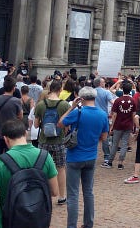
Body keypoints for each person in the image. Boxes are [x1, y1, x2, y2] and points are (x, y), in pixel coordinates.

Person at [0, 119, 58, 228]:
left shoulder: (0, 162)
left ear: (5, 139)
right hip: (37, 221)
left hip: (7, 222)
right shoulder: (45, 157)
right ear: (25, 133)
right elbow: (54, 192)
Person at [58, 87, 109, 228]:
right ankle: (88, 224)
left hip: (74, 157)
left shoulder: (77, 112)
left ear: (81, 98)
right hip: (91, 156)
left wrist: (71, 107)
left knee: (73, 195)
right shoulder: (102, 114)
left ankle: (72, 225)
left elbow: (60, 123)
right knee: (89, 192)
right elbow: (104, 137)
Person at [34, 80, 71, 206]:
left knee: (42, 168)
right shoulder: (64, 105)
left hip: (44, 140)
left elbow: (35, 124)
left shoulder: (40, 104)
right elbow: (67, 126)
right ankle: (61, 196)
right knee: (60, 168)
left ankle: (43, 195)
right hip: (59, 141)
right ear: (60, 89)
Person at [0, 77, 23, 174]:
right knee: (12, 158)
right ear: (14, 88)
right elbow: (20, 116)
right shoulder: (16, 101)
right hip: (12, 133)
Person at [104, 80, 135, 170]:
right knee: (124, 144)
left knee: (115, 144)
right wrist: (133, 125)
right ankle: (120, 163)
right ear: (130, 90)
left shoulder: (118, 100)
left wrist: (112, 126)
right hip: (128, 124)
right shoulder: (132, 100)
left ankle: (110, 162)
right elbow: (133, 114)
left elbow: (114, 114)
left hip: (118, 124)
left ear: (122, 90)